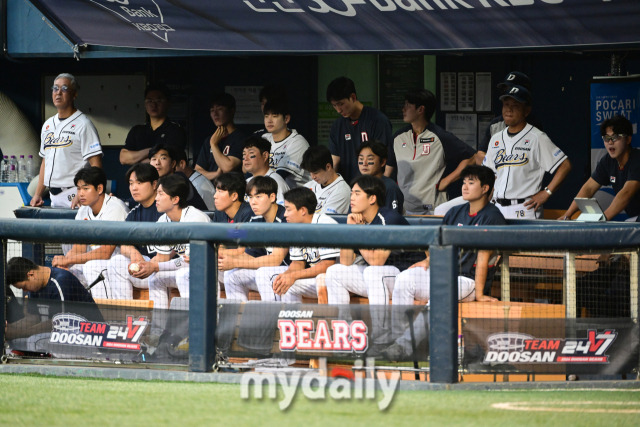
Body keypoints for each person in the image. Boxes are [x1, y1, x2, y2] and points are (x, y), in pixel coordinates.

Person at [383, 165, 507, 362]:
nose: (464, 186)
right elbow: (440, 245)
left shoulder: (492, 217)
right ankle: (399, 340)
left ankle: (405, 346)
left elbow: (484, 258)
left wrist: (482, 294)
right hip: (443, 274)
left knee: (440, 294)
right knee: (405, 278)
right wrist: (427, 260)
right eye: (464, 181)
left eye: (471, 182)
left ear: (485, 188)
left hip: (467, 281)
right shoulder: (455, 212)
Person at [325, 175, 416, 347]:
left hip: (406, 277)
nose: (351, 197)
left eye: (357, 193)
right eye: (351, 193)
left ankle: (381, 337)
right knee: (334, 272)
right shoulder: (359, 220)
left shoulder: (389, 218)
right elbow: (345, 262)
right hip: (379, 281)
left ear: (372, 198)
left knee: (373, 271)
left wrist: (359, 231)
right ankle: (345, 335)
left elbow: (376, 261)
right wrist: (350, 229)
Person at [483, 85, 571, 219]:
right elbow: (490, 174)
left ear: (527, 111)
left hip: (524, 208)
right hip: (497, 207)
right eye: (506, 104)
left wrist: (546, 192)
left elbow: (565, 165)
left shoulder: (537, 137)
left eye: (515, 105)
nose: (509, 109)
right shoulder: (495, 138)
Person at [51, 167, 129, 299]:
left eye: (85, 188)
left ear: (99, 189)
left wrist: (68, 259)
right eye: (78, 188)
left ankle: (102, 316)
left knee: (91, 266)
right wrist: (64, 264)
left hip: (117, 263)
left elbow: (105, 252)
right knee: (62, 272)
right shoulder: (83, 211)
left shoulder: (115, 208)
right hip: (94, 262)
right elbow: (78, 248)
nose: (80, 193)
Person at [394, 89, 475, 215]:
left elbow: (472, 158)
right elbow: (387, 171)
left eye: (408, 105)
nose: (403, 109)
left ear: (420, 110)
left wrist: (446, 181)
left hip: (433, 209)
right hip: (404, 208)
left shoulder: (440, 136)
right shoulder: (398, 137)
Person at [31, 73, 102, 208]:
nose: (58, 93)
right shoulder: (48, 125)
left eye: (64, 88)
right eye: (55, 88)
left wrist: (83, 192)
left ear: (74, 94)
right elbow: (46, 162)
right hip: (53, 195)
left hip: (75, 193)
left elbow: (96, 165)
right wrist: (38, 194)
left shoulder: (84, 124)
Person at [256, 188, 339, 303]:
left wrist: (294, 275)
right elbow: (298, 263)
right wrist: (286, 275)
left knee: (320, 279)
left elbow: (327, 265)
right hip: (315, 277)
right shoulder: (297, 227)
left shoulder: (324, 225)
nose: (285, 214)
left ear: (303, 210)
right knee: (287, 284)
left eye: (288, 209)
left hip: (337, 280)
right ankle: (289, 319)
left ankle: (328, 320)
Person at [146, 174, 211, 309]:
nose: (156, 198)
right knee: (155, 278)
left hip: (210, 270)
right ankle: (159, 328)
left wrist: (155, 266)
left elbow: (190, 262)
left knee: (183, 274)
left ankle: (191, 325)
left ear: (175, 199)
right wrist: (145, 266)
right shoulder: (163, 220)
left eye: (160, 194)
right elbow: (162, 258)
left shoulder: (196, 219)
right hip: (188, 270)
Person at [219, 176, 289, 302]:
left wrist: (235, 262)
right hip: (270, 271)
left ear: (272, 197)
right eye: (250, 197)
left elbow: (276, 259)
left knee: (263, 273)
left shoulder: (285, 218)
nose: (253, 202)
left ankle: (271, 320)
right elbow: (249, 256)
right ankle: (237, 320)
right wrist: (222, 260)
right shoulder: (256, 219)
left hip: (289, 270)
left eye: (258, 196)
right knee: (231, 275)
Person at [559, 115, 640, 221]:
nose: (610, 142)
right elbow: (588, 188)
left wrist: (602, 219)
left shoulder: (637, 159)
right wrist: (567, 215)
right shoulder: (607, 161)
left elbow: (626, 193)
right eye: (606, 138)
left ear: (628, 139)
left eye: (615, 137)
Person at [106, 163, 163, 300]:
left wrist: (152, 265)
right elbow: (124, 244)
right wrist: (134, 253)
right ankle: (124, 317)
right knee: (117, 262)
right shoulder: (134, 213)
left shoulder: (165, 208)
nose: (134, 188)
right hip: (144, 265)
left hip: (165, 266)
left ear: (154, 184)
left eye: (139, 182)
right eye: (131, 183)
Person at [327, 76, 395, 183]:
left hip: (372, 186)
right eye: (334, 105)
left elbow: (387, 159)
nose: (338, 110)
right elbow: (334, 161)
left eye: (341, 104)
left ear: (353, 97)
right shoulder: (337, 126)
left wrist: (381, 186)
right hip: (347, 188)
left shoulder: (378, 120)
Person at [119, 83, 187, 166]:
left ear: (168, 103)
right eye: (150, 100)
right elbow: (123, 158)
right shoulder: (137, 130)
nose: (153, 105)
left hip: (164, 179)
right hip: (139, 178)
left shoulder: (175, 130)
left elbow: (168, 161)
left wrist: (136, 160)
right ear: (145, 104)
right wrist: (153, 151)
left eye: (159, 101)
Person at [195, 92, 247, 182]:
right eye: (212, 110)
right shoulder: (209, 140)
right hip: (211, 192)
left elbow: (227, 167)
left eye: (220, 109)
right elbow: (197, 171)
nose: (215, 114)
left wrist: (214, 145)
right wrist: (216, 174)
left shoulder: (240, 138)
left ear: (231, 110)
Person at [260, 100, 310, 188]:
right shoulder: (264, 138)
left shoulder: (297, 142)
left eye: (274, 116)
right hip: (274, 193)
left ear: (286, 119)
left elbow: (280, 176)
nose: (269, 120)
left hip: (299, 196)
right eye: (266, 116)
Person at [149, 143, 208, 211]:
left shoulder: (179, 178)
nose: (157, 163)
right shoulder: (153, 181)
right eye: (154, 159)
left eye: (163, 158)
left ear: (173, 163)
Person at [301, 145, 350, 215]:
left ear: (328, 167)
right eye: (310, 173)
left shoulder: (341, 191)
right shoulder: (308, 186)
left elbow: (324, 222)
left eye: (315, 173)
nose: (312, 177)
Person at [358, 140, 404, 214]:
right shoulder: (357, 186)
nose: (364, 163)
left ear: (382, 162)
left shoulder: (390, 187)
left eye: (370, 159)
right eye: (361, 159)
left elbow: (392, 221)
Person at [242, 135, 290, 205]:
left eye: (251, 153)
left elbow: (281, 213)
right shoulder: (247, 182)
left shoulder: (276, 182)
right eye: (244, 154)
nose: (245, 158)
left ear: (265, 156)